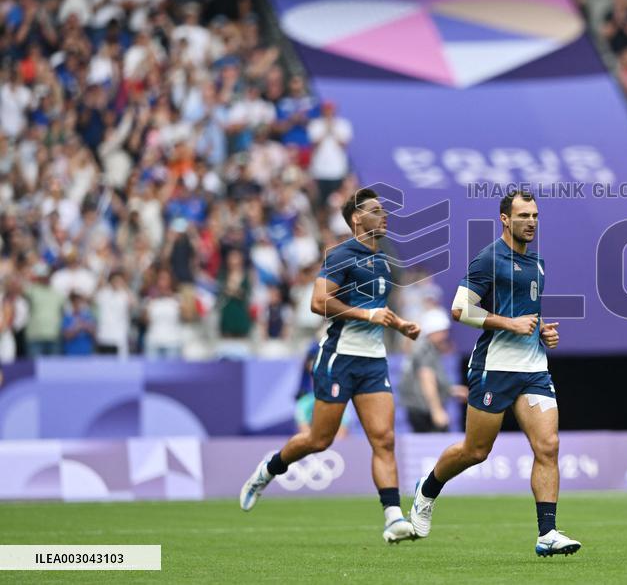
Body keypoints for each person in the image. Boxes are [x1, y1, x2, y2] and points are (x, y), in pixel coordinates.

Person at [239, 188, 422, 544]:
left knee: (383, 439)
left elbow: (374, 310)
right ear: (357, 219)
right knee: (319, 440)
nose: (385, 216)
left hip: (373, 361)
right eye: (376, 211)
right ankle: (267, 470)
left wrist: (399, 324)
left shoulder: (384, 261)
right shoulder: (340, 255)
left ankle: (393, 517)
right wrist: (368, 314)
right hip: (339, 357)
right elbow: (317, 301)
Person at [408, 191, 581, 557]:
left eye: (534, 215)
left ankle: (547, 533)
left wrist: (542, 332)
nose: (530, 222)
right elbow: (459, 309)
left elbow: (527, 318)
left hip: (532, 368)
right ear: (505, 219)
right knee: (475, 451)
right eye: (522, 216)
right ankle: (427, 491)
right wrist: (509, 323)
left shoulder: (537, 263)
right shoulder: (489, 258)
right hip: (494, 368)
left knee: (548, 446)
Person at [399, 302, 467, 432]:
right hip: (424, 410)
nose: (446, 335)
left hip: (423, 408)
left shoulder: (429, 348)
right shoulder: (425, 349)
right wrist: (437, 411)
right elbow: (426, 378)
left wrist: (450, 390)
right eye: (443, 331)